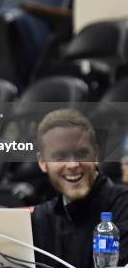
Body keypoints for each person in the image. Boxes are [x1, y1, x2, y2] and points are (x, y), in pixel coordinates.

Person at [31, 108, 128, 267]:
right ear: (42, 162)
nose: (73, 165)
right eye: (60, 156)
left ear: (96, 154)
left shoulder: (124, 207)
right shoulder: (39, 218)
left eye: (82, 153)